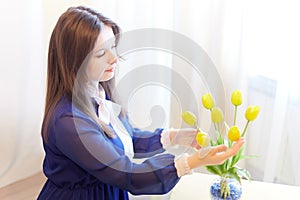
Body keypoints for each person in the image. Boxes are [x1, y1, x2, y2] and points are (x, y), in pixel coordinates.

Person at [38, 6, 244, 200]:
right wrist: (192, 161)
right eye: (101, 53)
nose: (114, 59)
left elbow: (127, 139)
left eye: (113, 47)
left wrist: (176, 137)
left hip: (108, 189)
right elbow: (128, 174)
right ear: (75, 61)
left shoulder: (98, 90)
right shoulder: (69, 122)